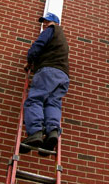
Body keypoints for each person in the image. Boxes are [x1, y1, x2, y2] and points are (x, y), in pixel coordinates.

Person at [20, 12, 69, 155]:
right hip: (63, 75)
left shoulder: (51, 31)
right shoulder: (62, 39)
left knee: (35, 99)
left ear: (56, 23)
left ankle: (35, 132)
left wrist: (30, 61)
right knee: (52, 103)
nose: (45, 24)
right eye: (44, 22)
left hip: (48, 71)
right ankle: (52, 132)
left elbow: (38, 45)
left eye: (48, 21)